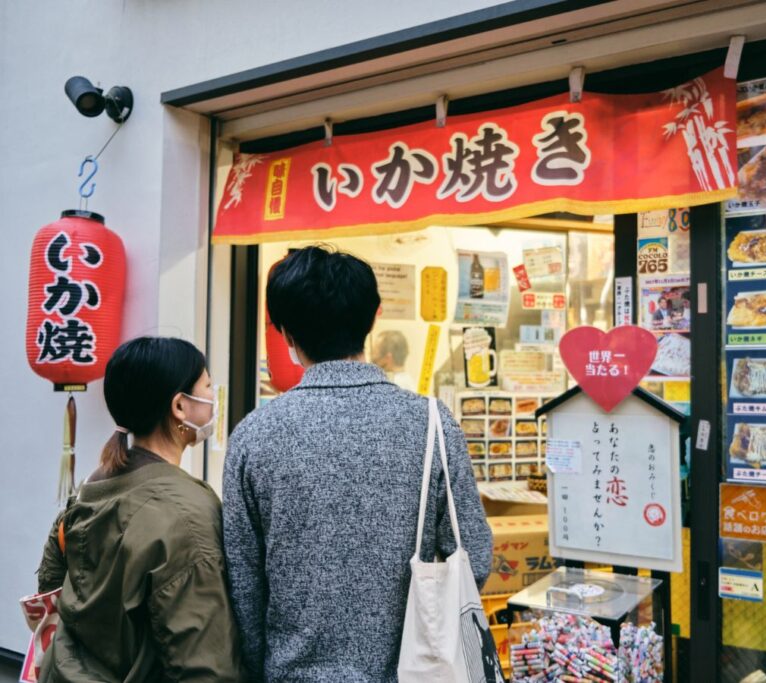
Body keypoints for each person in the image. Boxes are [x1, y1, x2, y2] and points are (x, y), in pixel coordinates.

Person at [223, 246, 492, 682]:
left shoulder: (253, 435)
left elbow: (244, 587)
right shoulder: (431, 423)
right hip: (413, 672)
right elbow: (473, 555)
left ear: (287, 334)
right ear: (374, 317)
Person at [35, 337, 244, 682]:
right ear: (180, 406)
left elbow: (50, 585)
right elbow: (205, 663)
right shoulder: (188, 516)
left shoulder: (90, 489)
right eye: (207, 386)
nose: (213, 397)